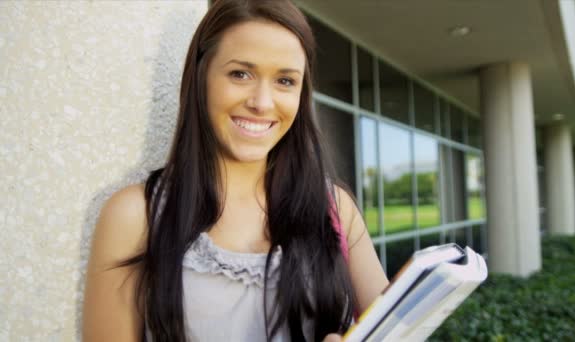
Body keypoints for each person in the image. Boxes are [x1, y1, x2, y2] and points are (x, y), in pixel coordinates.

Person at [82, 0, 388, 341]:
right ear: (201, 77)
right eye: (241, 74)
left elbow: (399, 328)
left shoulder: (335, 208)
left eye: (285, 81)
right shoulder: (134, 215)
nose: (262, 102)